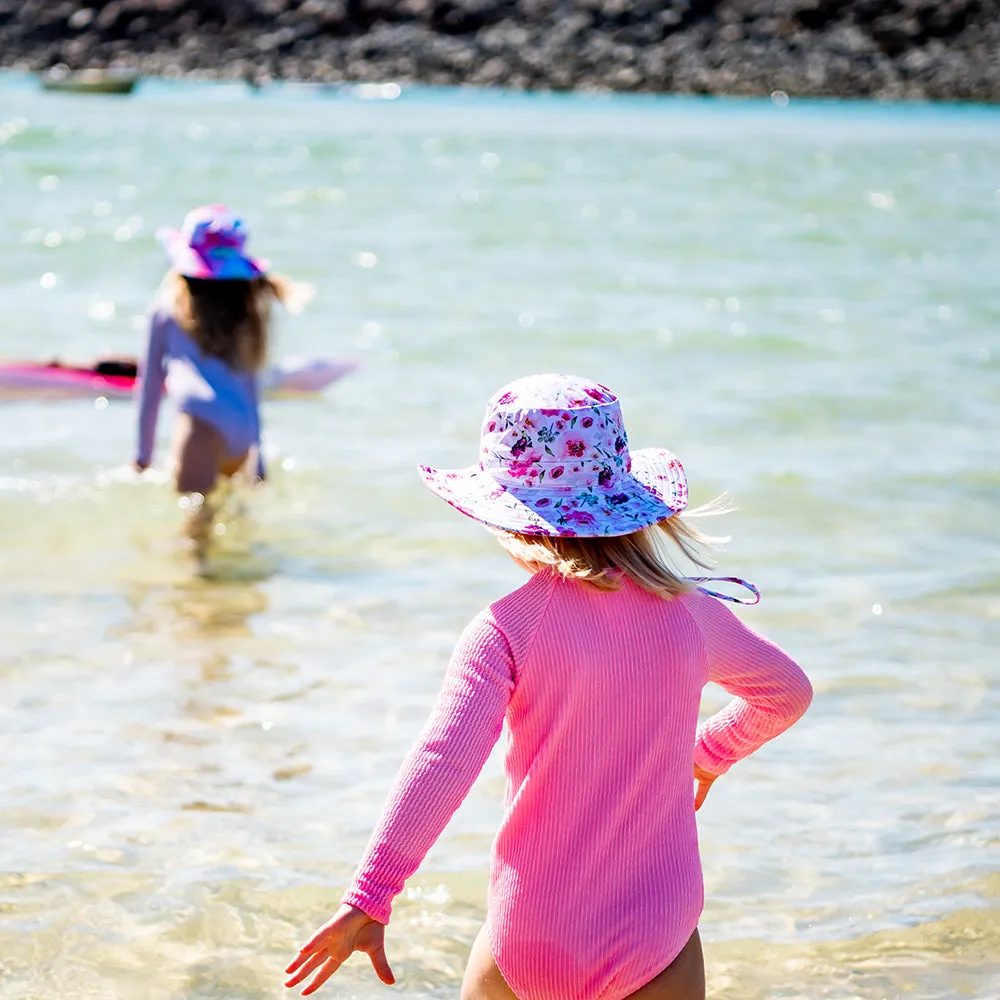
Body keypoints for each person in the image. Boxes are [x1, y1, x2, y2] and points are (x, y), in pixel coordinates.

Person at [285, 373, 813, 1000]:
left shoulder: (504, 629)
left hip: (531, 933)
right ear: (624, 499)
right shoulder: (692, 615)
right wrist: (706, 756)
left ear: (510, 518)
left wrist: (371, 897)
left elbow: (441, 764)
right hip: (657, 933)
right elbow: (786, 693)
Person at [133, 204, 291, 561]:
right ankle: (237, 591)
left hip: (200, 426)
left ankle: (200, 603)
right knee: (231, 518)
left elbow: (150, 387)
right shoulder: (246, 315)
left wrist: (141, 455)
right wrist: (259, 459)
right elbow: (251, 388)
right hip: (243, 431)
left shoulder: (166, 309)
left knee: (195, 534)